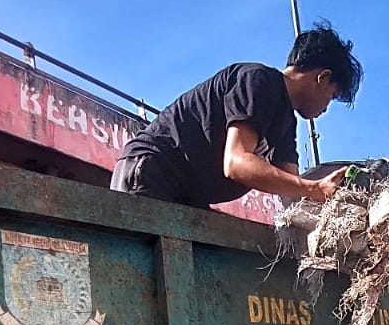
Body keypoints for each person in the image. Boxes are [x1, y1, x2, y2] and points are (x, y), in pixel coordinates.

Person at [109, 22, 362, 209]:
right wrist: (315, 189)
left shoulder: (286, 123)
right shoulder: (259, 81)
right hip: (152, 174)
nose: (326, 108)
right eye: (331, 95)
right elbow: (236, 163)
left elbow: (293, 192)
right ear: (323, 77)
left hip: (188, 196)